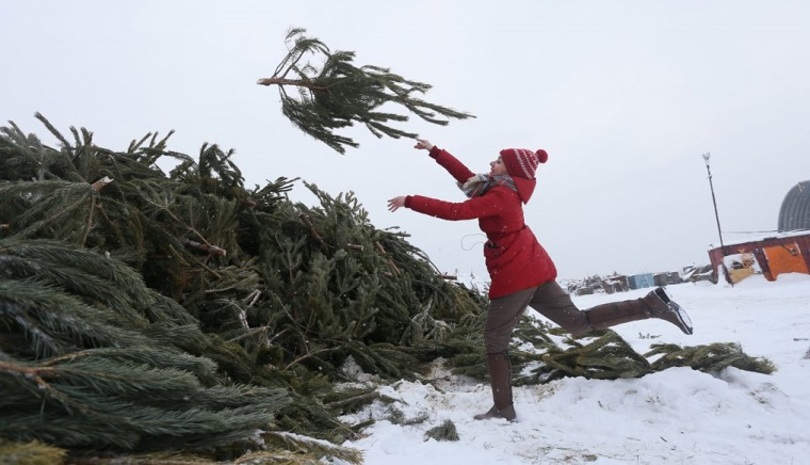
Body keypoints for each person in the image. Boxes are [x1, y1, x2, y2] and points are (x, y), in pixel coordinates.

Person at [387, 138, 693, 422]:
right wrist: (434, 151)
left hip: (515, 273)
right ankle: (651, 304)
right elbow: (466, 175)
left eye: (497, 161)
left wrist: (410, 200)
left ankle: (503, 408)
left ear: (510, 170)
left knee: (495, 339)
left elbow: (456, 212)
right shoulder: (495, 188)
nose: (491, 164)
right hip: (534, 266)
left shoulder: (501, 196)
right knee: (578, 323)